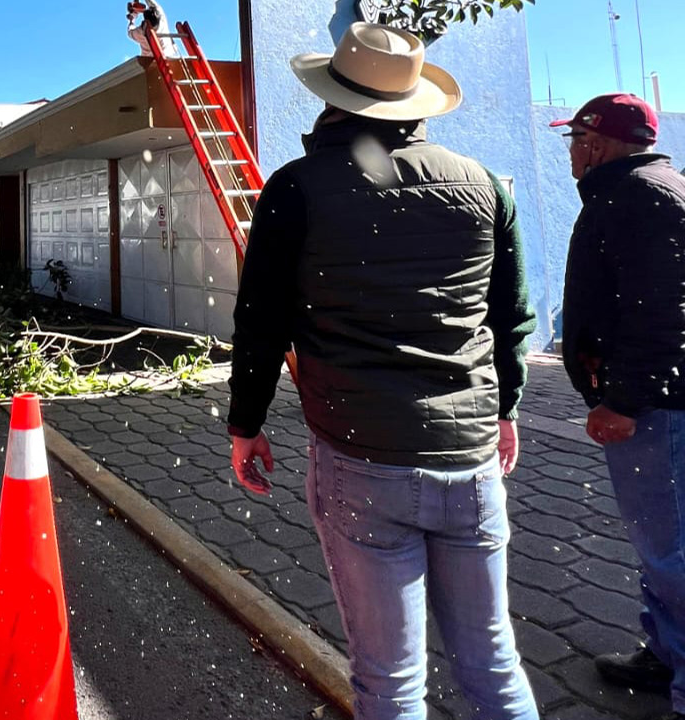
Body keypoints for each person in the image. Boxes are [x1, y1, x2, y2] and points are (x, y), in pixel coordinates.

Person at [226, 24, 539, 720]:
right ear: (414, 104)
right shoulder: (486, 186)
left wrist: (245, 424)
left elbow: (261, 321)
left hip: (362, 457)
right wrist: (505, 411)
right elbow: (512, 317)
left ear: (331, 100)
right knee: (494, 663)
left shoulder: (296, 188)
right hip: (472, 458)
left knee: (392, 682)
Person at [555, 92, 685, 720]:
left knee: (671, 548)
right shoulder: (647, 188)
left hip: (657, 409)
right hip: (659, 403)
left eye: (574, 142)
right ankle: (665, 655)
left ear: (596, 144)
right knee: (661, 543)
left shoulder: (637, 196)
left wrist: (624, 401)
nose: (571, 155)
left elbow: (661, 313)